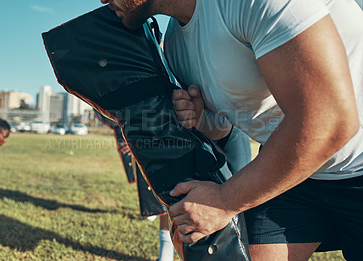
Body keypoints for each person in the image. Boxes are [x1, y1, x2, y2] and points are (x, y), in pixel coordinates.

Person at [100, 0, 363, 260]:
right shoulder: (174, 45)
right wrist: (200, 120)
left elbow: (331, 122)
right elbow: (224, 128)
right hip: (293, 172)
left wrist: (223, 200)